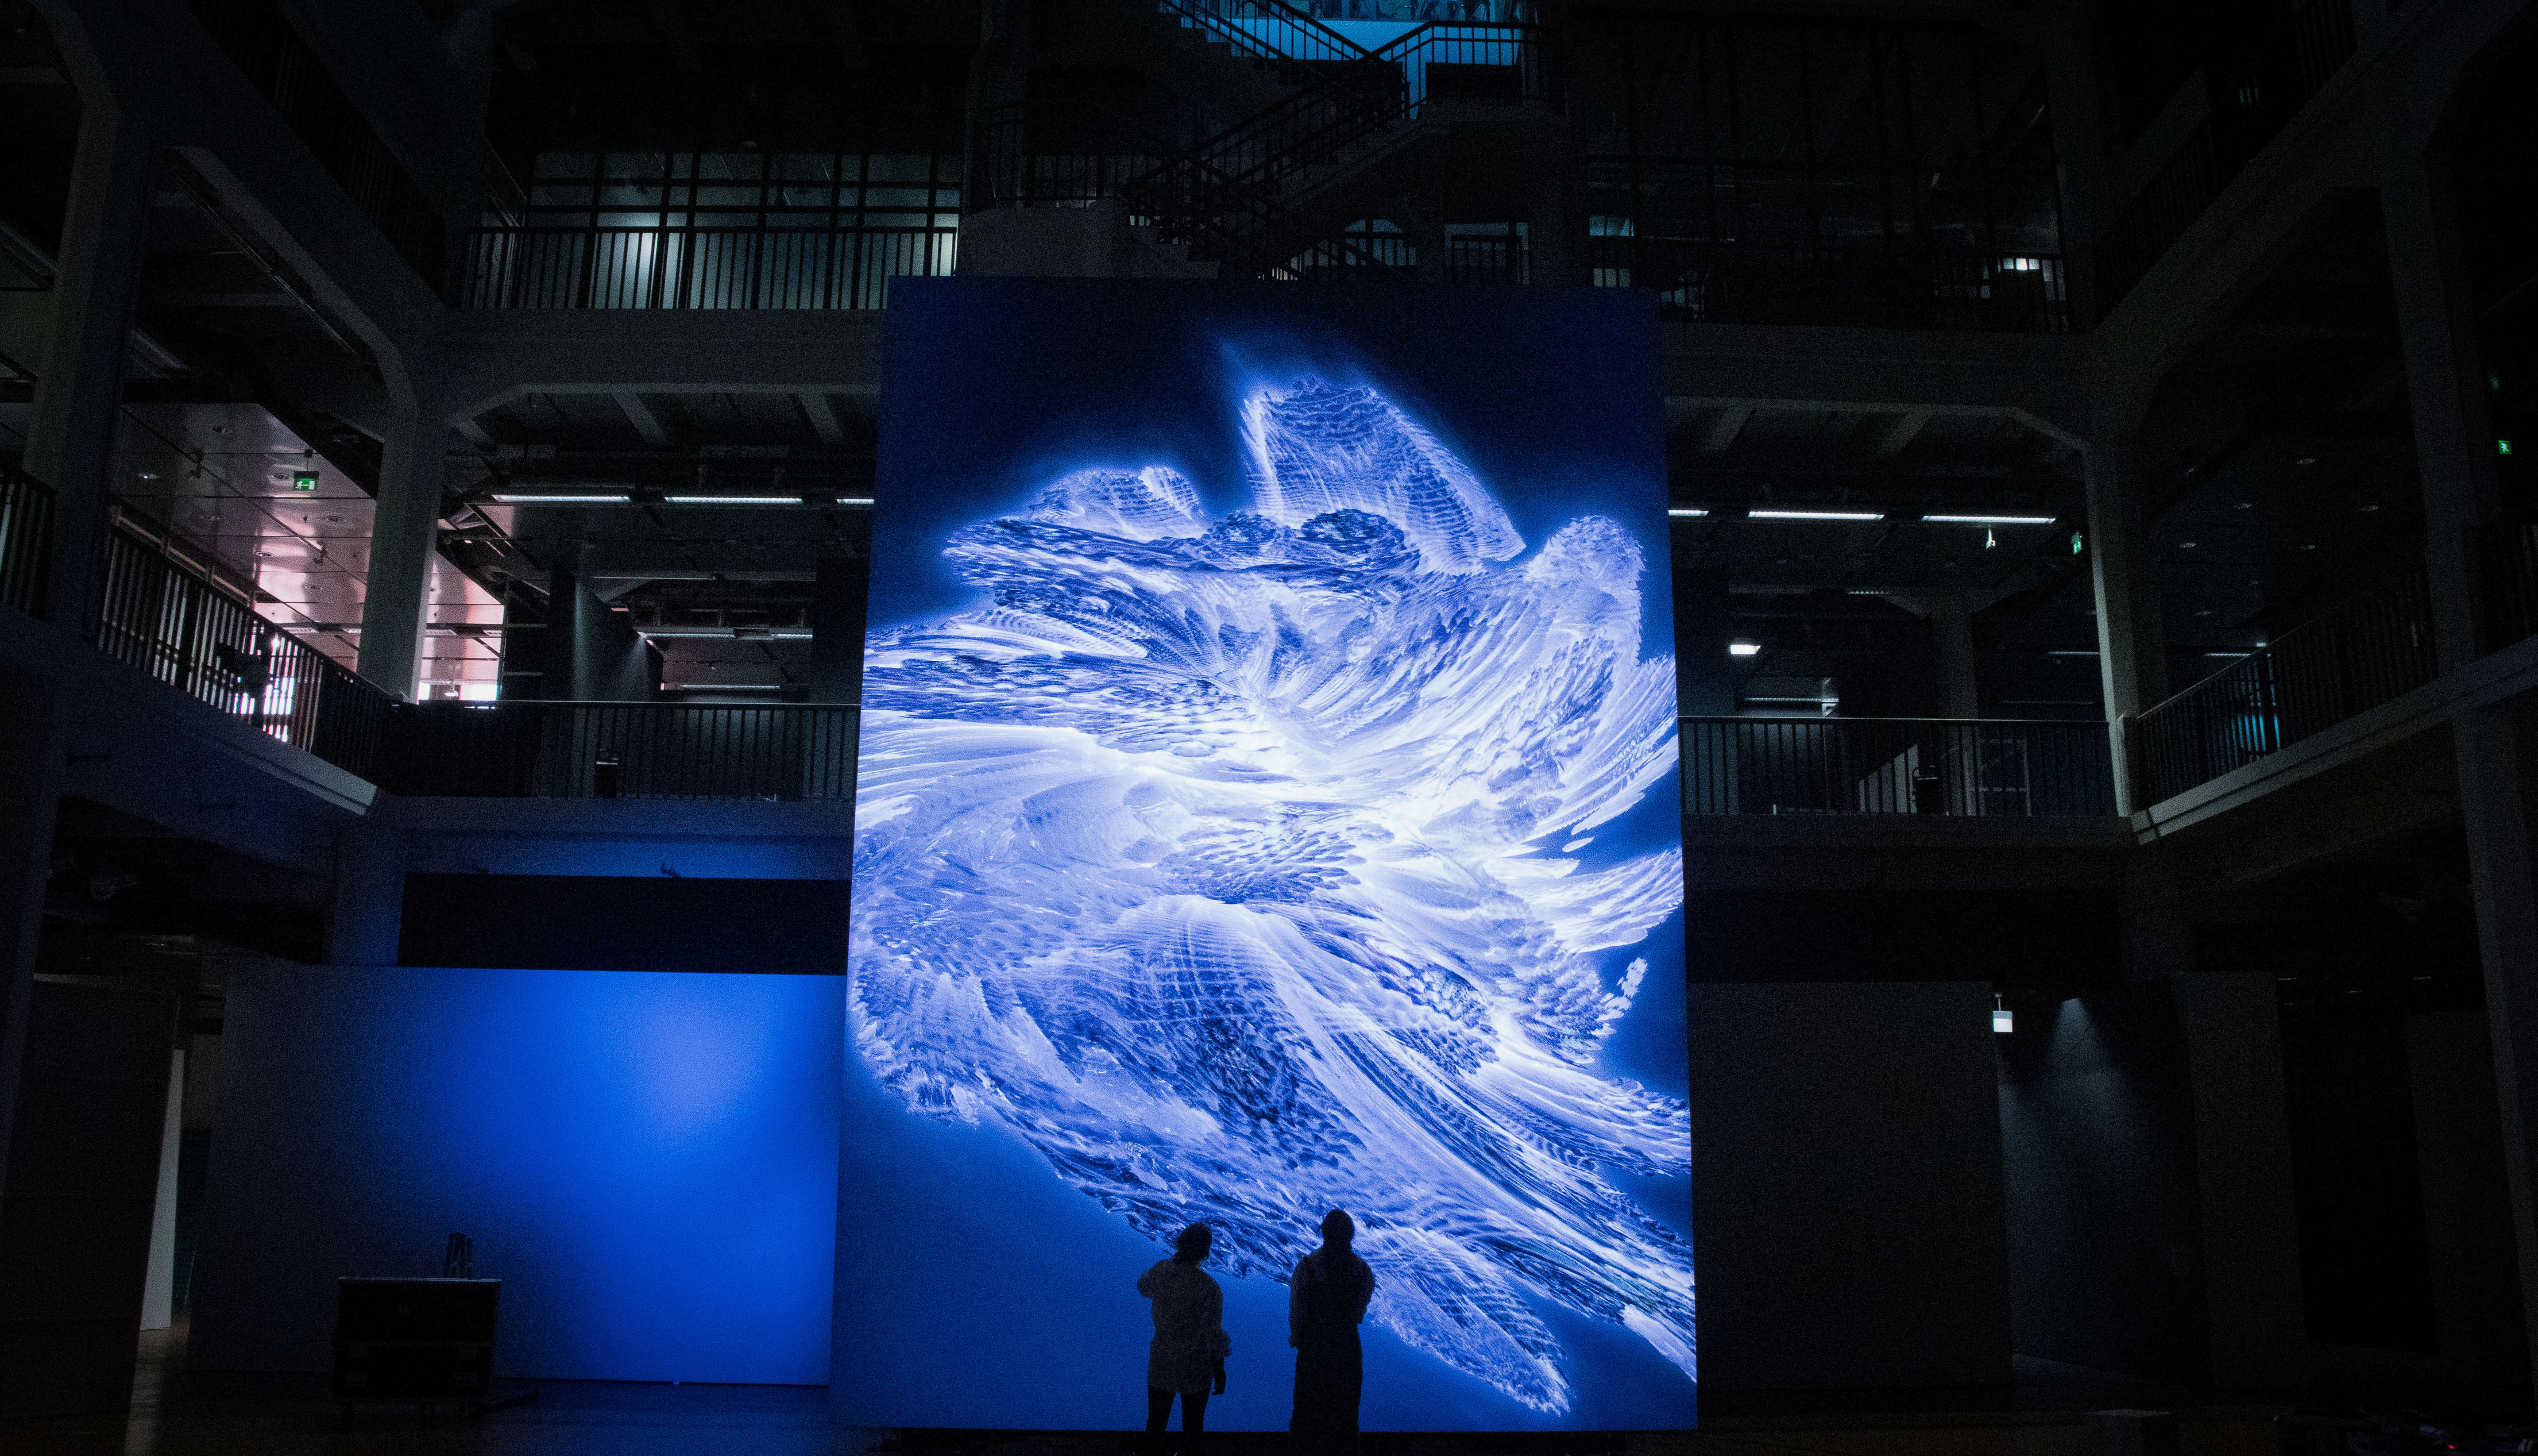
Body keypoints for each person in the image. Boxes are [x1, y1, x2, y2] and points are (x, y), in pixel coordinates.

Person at [1288, 1209, 1377, 1456]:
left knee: (1306, 1412)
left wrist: (1298, 1338)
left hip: (1314, 1349)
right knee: (1346, 1414)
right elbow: (1359, 1311)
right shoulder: (1363, 1270)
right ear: (1351, 1235)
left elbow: (1297, 1310)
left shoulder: (1308, 1267)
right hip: (1347, 1348)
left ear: (1324, 1232)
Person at [1137, 1222, 1230, 1456]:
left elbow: (1143, 1288)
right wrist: (1220, 1370)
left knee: (1156, 1424)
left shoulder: (1161, 1270)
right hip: (1195, 1366)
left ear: (1180, 1242)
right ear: (1205, 1252)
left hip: (1162, 1359)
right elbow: (1213, 1334)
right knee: (1193, 1428)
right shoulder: (1209, 1288)